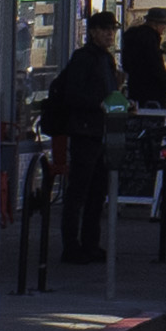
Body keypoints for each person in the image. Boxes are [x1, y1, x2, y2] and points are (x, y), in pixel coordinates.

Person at [40, 19, 120, 270]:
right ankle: (71, 246)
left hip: (102, 131)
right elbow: (72, 95)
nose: (110, 34)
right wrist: (97, 103)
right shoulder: (83, 58)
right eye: (106, 29)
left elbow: (110, 91)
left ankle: (90, 243)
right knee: (78, 192)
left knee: (97, 192)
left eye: (113, 30)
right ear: (94, 32)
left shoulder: (106, 59)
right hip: (84, 131)